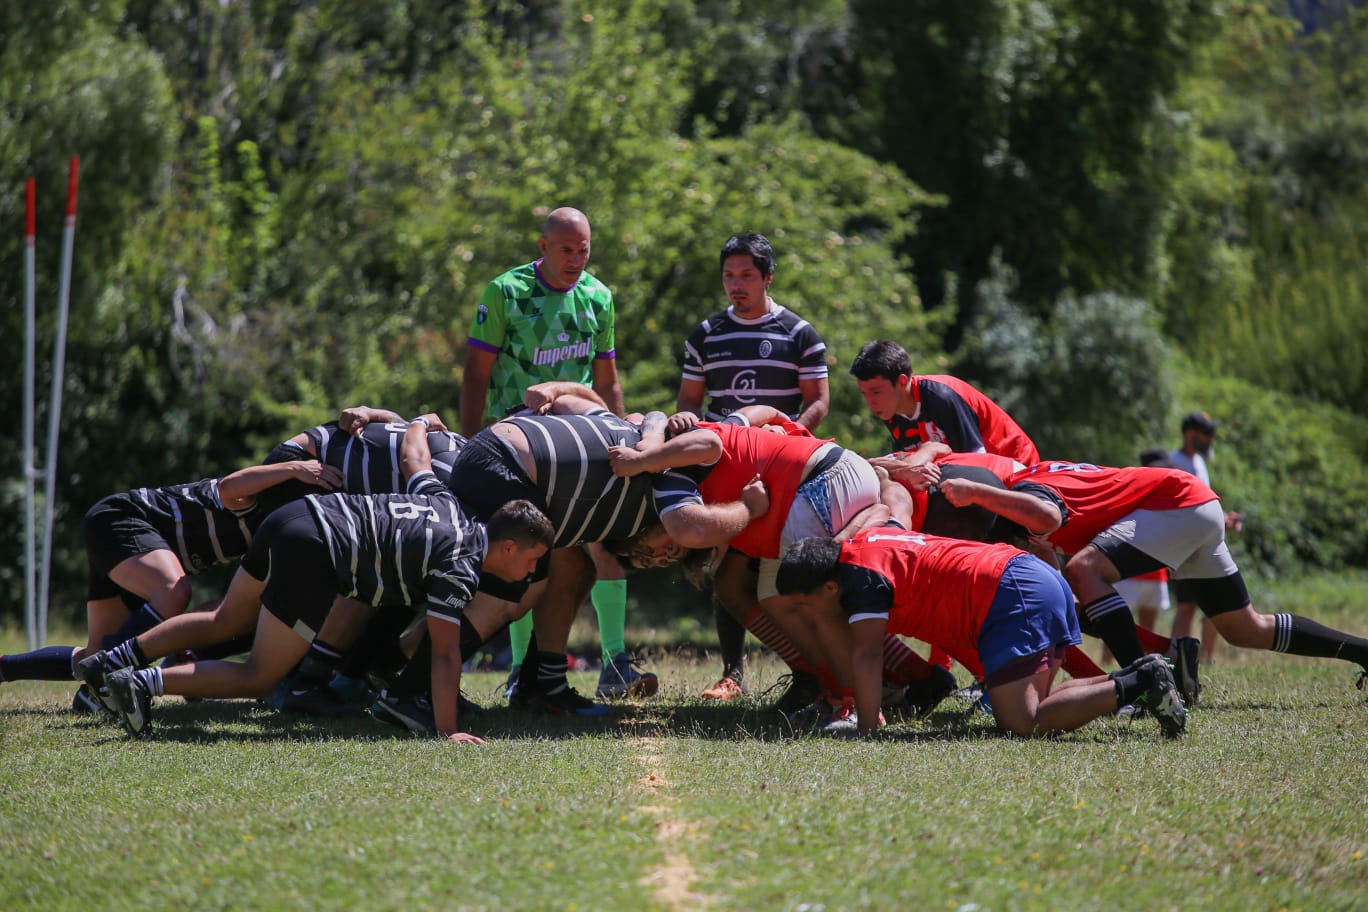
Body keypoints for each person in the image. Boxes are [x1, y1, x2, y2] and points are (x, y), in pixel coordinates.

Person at [101, 416, 554, 741]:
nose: (532, 572)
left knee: (224, 620)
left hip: (293, 517)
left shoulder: (446, 503)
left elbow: (416, 461)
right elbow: (444, 655)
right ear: (508, 546)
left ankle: (113, 659)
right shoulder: (461, 563)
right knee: (260, 677)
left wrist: (419, 421)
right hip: (315, 550)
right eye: (533, 560)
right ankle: (142, 683)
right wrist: (449, 730)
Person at [938, 459, 1368, 703]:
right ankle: (1364, 651)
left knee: (1085, 569)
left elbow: (1047, 517)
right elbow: (1057, 584)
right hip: (1193, 505)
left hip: (1176, 505)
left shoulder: (1027, 493)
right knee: (1245, 628)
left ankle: (1140, 686)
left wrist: (974, 495)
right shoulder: (1032, 480)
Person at [444, 385, 760, 715]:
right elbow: (699, 446)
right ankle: (414, 683)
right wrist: (748, 508)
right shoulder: (668, 480)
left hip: (505, 461)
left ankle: (543, 684)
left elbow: (636, 415)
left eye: (664, 563)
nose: (658, 559)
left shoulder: (622, 494)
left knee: (576, 570)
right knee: (509, 594)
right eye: (672, 551)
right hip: (504, 462)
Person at [459, 207, 636, 700]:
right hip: (516, 448)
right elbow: (476, 375)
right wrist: (468, 443)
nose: (577, 259)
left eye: (584, 250)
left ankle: (614, 661)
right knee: (529, 553)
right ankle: (520, 670)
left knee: (601, 545)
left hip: (579, 445)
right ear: (543, 247)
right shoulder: (505, 293)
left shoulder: (598, 297)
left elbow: (607, 380)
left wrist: (622, 436)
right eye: (566, 249)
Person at [0, 456, 342, 710]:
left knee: (94, 652)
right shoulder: (254, 502)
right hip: (120, 520)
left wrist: (192, 640)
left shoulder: (274, 538)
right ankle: (98, 688)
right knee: (174, 592)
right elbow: (228, 486)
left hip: (125, 543)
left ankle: (7, 669)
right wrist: (296, 468)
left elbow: (231, 606)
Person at [775, 530, 1187, 738]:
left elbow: (866, 656)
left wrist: (867, 731)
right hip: (1023, 578)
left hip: (1011, 594)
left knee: (1024, 723)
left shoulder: (858, 580)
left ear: (829, 587)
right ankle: (1143, 673)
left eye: (804, 603)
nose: (806, 614)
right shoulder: (861, 548)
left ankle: (1141, 680)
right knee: (1035, 706)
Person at [675, 232, 831, 701]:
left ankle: (815, 670)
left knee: (780, 566)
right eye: (729, 276)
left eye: (746, 276)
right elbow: (689, 401)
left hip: (783, 464)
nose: (736, 285)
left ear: (768, 277)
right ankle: (732, 673)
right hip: (725, 464)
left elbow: (818, 401)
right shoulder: (706, 334)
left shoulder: (799, 334)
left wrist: (788, 434)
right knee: (727, 563)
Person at [849, 340, 1039, 463]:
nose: (870, 403)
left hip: (1017, 465)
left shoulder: (942, 398)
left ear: (902, 382)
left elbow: (978, 462)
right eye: (864, 393)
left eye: (876, 392)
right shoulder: (890, 410)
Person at [1169, 412, 1243, 663]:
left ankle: (1206, 659)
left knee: (1212, 607)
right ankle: (1179, 658)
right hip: (1186, 545)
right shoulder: (1174, 462)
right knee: (1186, 607)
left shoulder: (1199, 462)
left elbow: (1201, 503)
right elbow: (1179, 506)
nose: (1211, 439)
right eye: (1207, 433)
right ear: (1191, 435)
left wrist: (1222, 517)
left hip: (1203, 542)